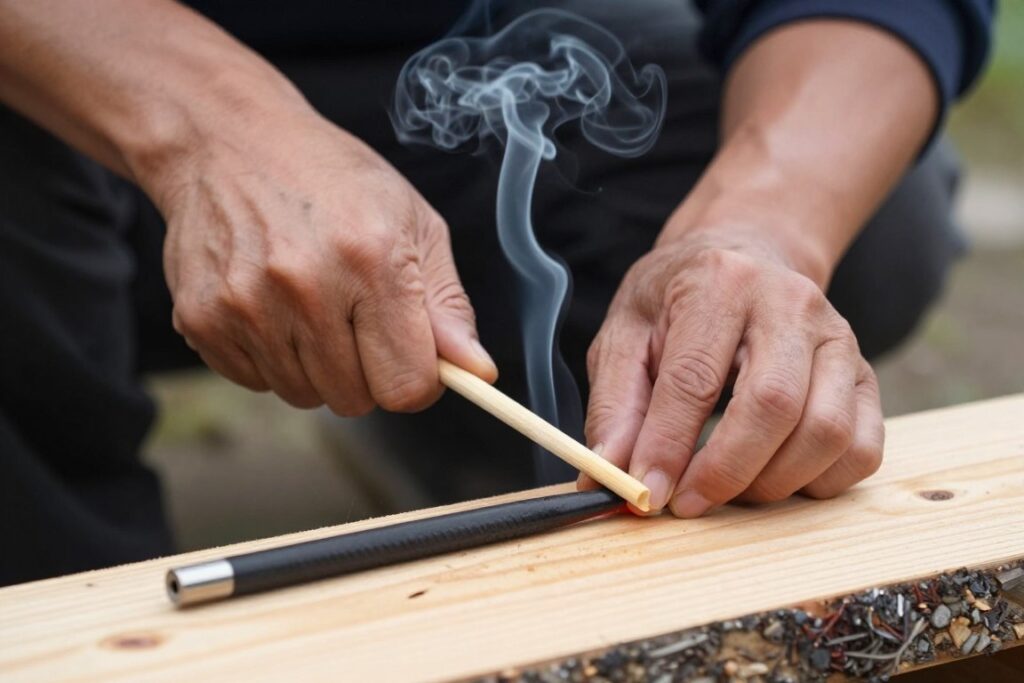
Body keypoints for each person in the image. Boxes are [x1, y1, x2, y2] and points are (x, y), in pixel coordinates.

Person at [0, 0, 993, 585]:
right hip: (73, 72)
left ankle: (441, 422)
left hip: (482, 63)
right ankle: (64, 577)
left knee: (874, 216)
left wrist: (763, 225)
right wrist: (208, 128)